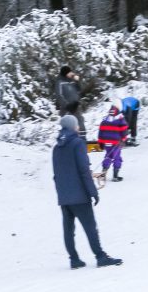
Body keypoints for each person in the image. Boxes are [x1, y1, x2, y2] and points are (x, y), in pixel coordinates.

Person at [52, 115, 122, 269]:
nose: (78, 127)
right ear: (72, 126)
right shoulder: (77, 144)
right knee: (90, 227)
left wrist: (62, 194)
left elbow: (56, 175)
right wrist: (93, 192)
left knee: (68, 230)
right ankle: (100, 256)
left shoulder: (57, 147)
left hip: (64, 197)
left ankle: (74, 259)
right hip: (79, 196)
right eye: (76, 125)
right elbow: (84, 170)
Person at [98, 102, 129, 182]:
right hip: (116, 143)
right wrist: (124, 139)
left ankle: (103, 173)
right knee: (117, 158)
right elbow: (124, 130)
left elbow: (101, 132)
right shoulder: (120, 119)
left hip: (106, 143)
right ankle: (115, 176)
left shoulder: (105, 119)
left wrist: (100, 142)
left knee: (108, 156)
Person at [54, 66, 86, 139]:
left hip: (76, 107)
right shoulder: (60, 82)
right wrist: (67, 105)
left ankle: (83, 140)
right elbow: (59, 95)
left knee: (80, 122)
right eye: (70, 72)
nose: (72, 73)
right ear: (66, 73)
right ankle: (68, 141)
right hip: (67, 109)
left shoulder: (72, 81)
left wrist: (77, 81)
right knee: (69, 126)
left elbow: (80, 90)